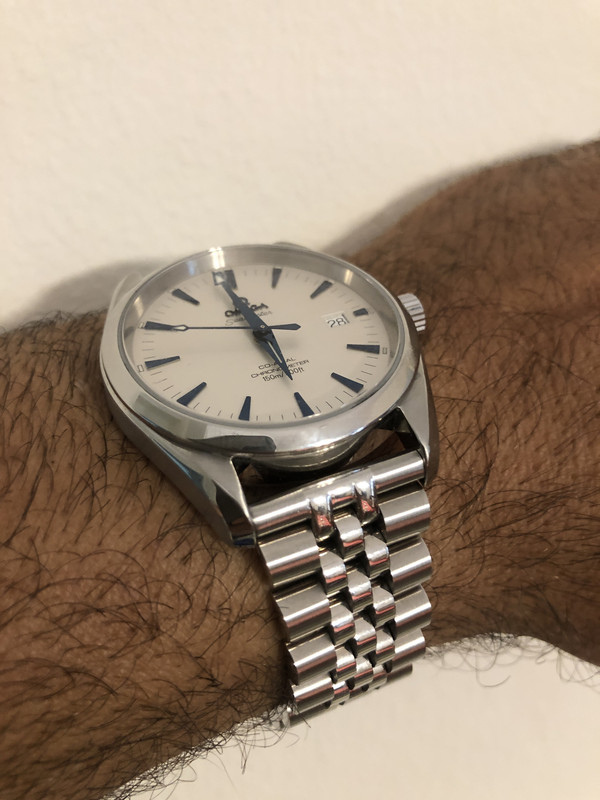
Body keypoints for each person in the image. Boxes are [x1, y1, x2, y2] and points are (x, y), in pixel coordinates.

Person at [0, 142, 598, 800]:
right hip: (235, 462)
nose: (263, 335)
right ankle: (354, 660)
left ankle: (355, 660)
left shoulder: (382, 352)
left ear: (404, 315)